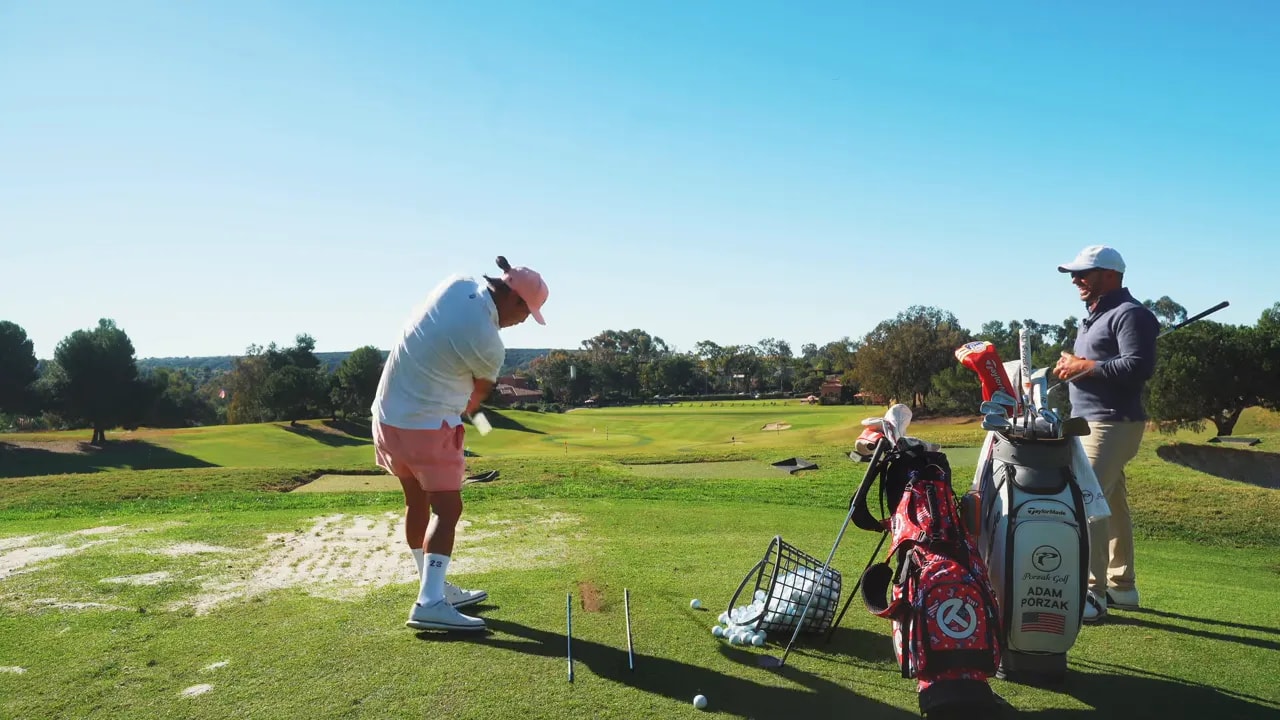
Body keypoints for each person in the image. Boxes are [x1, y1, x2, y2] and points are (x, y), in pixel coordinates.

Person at [371, 255, 549, 631]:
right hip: (427, 428)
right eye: (526, 313)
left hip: (386, 418)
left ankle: (431, 585)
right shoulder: (489, 343)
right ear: (514, 300)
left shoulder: (455, 283)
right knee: (447, 511)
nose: (520, 322)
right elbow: (475, 400)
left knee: (415, 501)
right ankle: (431, 601)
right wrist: (470, 407)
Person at [1052, 245, 1159, 624]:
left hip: (1112, 422)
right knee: (1111, 503)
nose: (1076, 280)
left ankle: (1093, 593)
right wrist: (1074, 366)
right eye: (1073, 274)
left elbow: (1137, 366)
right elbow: (1098, 365)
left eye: (1085, 273)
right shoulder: (1096, 317)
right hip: (1093, 422)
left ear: (1111, 275)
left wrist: (1087, 365)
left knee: (1087, 503)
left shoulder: (1131, 314)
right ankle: (1122, 586)